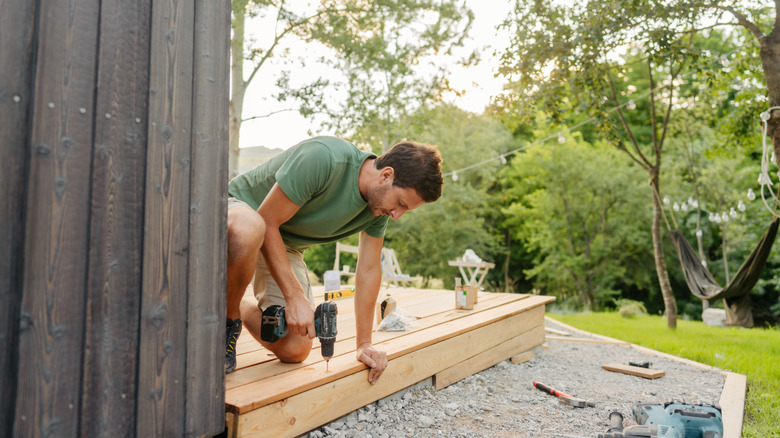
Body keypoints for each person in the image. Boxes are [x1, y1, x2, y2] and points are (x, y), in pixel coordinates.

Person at [224, 136, 443, 385]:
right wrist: (295, 297)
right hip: (242, 213)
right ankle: (228, 325)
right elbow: (266, 219)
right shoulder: (324, 158)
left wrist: (364, 345)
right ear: (386, 176)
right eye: (400, 203)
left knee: (295, 347)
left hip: (284, 244)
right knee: (248, 227)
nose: (397, 215)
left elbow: (369, 271)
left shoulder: (378, 208)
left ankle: (233, 300)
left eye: (405, 210)